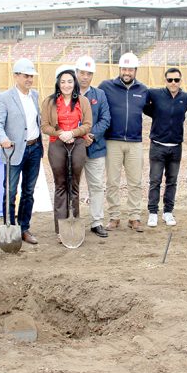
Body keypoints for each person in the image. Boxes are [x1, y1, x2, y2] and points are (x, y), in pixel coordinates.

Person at [0, 58, 44, 244]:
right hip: (13, 151)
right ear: (16, 76)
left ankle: (24, 227)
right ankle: (10, 227)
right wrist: (3, 139)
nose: (29, 79)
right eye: (26, 76)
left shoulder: (35, 96)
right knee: (11, 191)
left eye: (31, 76)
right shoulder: (4, 98)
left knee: (28, 191)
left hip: (34, 148)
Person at [98, 52, 150, 232]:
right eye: (124, 69)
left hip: (135, 142)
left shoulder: (143, 90)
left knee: (135, 181)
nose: (127, 72)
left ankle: (134, 217)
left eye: (130, 69)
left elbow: (153, 110)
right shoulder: (106, 86)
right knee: (113, 181)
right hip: (112, 141)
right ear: (119, 69)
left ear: (135, 71)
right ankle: (114, 217)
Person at [41, 65, 92, 242]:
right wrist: (60, 133)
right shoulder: (49, 102)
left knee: (74, 185)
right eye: (63, 82)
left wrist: (73, 133)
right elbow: (45, 126)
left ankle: (74, 224)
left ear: (74, 83)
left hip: (77, 144)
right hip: (57, 145)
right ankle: (60, 228)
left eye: (70, 81)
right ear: (58, 83)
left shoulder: (82, 101)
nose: (66, 85)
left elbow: (87, 124)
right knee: (61, 185)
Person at [143, 67, 187, 227]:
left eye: (176, 80)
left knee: (172, 181)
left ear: (180, 81)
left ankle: (168, 212)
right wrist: (156, 114)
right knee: (155, 180)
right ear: (165, 80)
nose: (173, 83)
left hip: (176, 146)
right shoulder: (155, 94)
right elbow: (143, 104)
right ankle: (152, 212)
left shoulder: (186, 98)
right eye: (170, 80)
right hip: (157, 145)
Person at [74, 55, 111, 239]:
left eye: (89, 73)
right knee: (73, 186)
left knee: (96, 186)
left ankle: (97, 222)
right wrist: (80, 136)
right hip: (73, 149)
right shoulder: (67, 95)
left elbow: (106, 119)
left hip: (95, 149)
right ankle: (73, 220)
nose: (85, 77)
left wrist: (91, 135)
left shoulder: (100, 95)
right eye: (82, 73)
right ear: (76, 73)